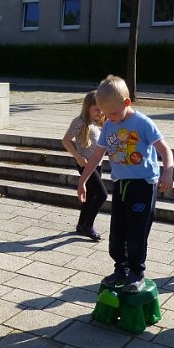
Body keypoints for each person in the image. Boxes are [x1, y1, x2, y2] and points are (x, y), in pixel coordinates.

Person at [77, 75, 174, 292]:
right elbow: (96, 156)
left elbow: (165, 149)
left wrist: (168, 171)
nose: (108, 117)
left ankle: (136, 271)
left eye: (112, 112)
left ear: (127, 103)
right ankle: (120, 268)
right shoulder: (110, 126)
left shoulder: (143, 123)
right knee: (117, 231)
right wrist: (82, 180)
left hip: (143, 185)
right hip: (120, 185)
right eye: (104, 113)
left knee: (137, 232)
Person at [61, 90, 108, 241]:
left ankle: (81, 225)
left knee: (91, 195)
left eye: (101, 109)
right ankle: (88, 225)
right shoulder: (79, 122)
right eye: (96, 109)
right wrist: (78, 157)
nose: (100, 112)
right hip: (85, 164)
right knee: (102, 194)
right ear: (87, 107)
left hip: (98, 164)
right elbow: (66, 141)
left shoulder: (100, 122)